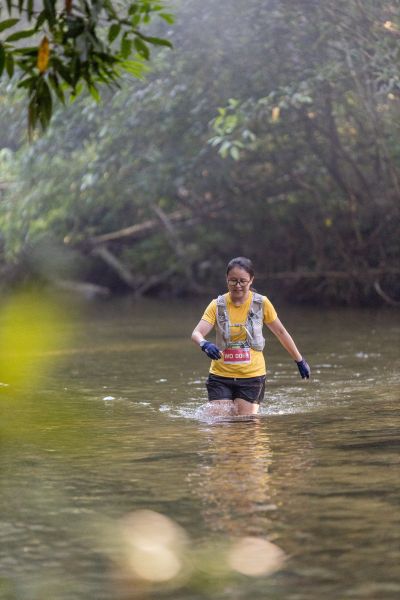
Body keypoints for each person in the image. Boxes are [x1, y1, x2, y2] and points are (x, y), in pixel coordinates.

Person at [191, 257, 310, 417]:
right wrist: (204, 344)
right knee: (219, 422)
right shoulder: (217, 305)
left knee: (245, 423)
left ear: (251, 280)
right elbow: (196, 333)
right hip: (220, 376)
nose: (238, 285)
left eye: (243, 281)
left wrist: (299, 360)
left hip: (252, 377)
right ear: (226, 279)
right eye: (233, 281)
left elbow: (281, 332)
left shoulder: (261, 303)